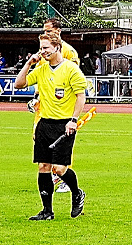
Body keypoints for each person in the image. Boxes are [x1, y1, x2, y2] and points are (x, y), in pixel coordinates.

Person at [14, 32, 88, 220]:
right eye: (41, 48)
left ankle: (77, 193)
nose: (43, 52)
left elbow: (81, 96)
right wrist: (29, 63)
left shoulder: (71, 69)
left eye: (46, 48)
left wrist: (73, 120)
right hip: (44, 124)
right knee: (43, 167)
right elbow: (19, 84)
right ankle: (47, 211)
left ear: (57, 47)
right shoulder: (41, 69)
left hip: (64, 125)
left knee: (59, 169)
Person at [35, 18, 80, 193]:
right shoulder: (43, 52)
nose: (45, 34)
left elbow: (73, 81)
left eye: (48, 31)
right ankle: (47, 208)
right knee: (42, 153)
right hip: (45, 110)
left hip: (62, 112)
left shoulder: (68, 52)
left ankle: (63, 180)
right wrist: (37, 95)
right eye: (44, 31)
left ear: (58, 32)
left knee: (61, 154)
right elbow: (42, 77)